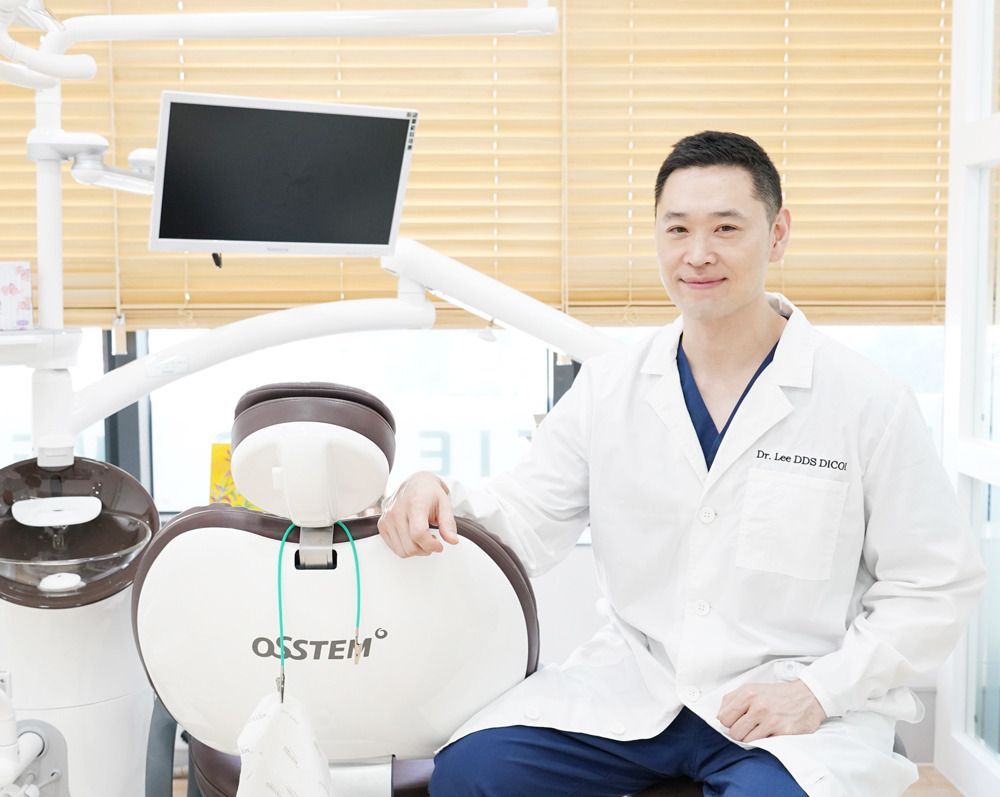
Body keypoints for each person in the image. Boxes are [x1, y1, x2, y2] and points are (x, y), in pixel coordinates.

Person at [377, 131, 987, 797]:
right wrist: (433, 488)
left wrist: (817, 690)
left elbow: (934, 585)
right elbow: (523, 521)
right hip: (637, 687)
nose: (699, 254)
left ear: (777, 233)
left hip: (792, 706)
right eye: (679, 229)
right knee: (473, 774)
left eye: (727, 227)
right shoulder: (611, 387)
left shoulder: (867, 400)